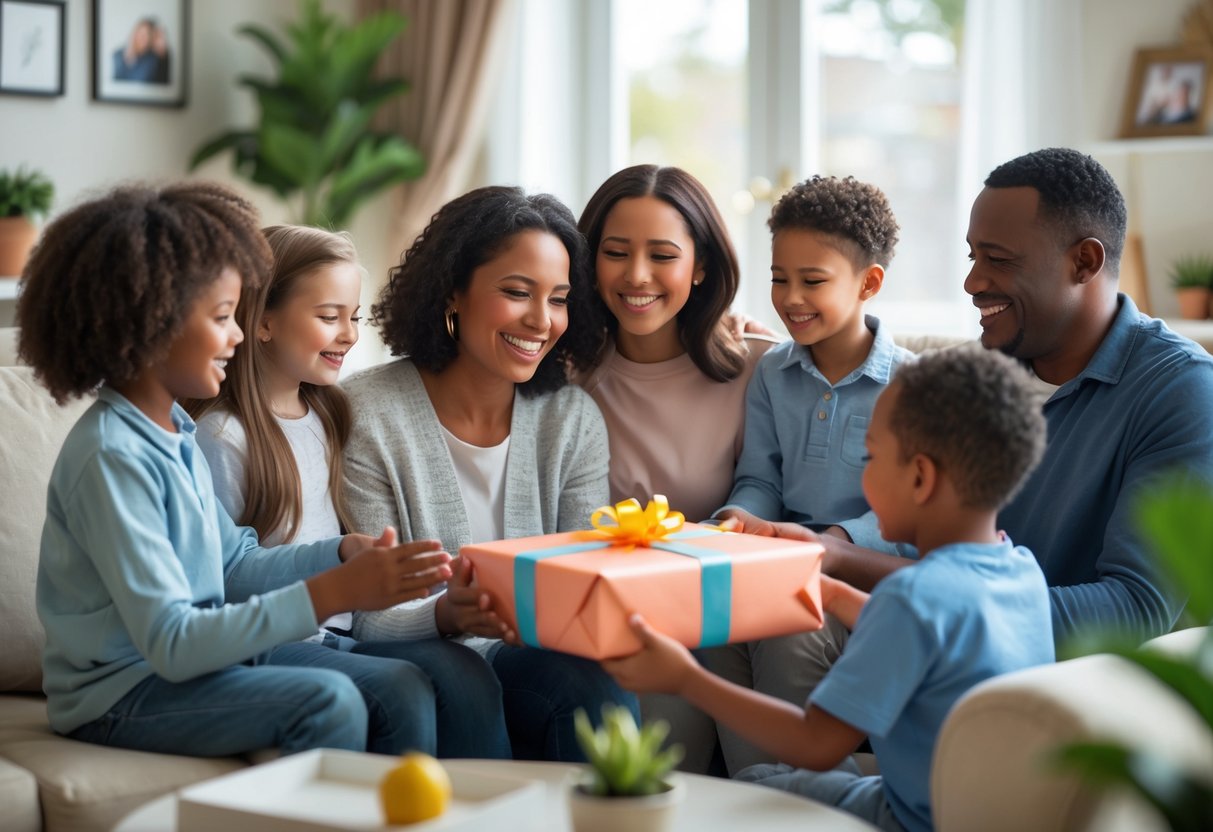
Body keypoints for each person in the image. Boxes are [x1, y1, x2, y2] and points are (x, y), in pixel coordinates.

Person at [17, 183, 455, 758]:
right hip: (120, 692)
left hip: (178, 670)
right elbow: (171, 642)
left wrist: (341, 554)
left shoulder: (171, 430)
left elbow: (235, 562)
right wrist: (330, 593)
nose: (239, 335)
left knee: (401, 684)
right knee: (331, 701)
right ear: (154, 322)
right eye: (224, 316)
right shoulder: (113, 456)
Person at [603, 347, 1056, 832]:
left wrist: (684, 679)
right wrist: (835, 595)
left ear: (921, 477)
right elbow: (936, 639)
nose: (864, 471)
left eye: (872, 456)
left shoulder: (914, 601)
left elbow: (815, 744)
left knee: (753, 786)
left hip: (912, 818)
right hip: (966, 808)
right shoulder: (1019, 570)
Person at [827, 147, 1213, 645]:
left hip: (1055, 690)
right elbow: (922, 519)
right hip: (944, 642)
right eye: (973, 256)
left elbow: (1134, 608)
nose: (972, 282)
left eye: (999, 260)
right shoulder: (984, 370)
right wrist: (831, 550)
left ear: (1085, 261)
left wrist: (903, 591)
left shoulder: (1180, 391)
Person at [187, 224, 511, 759]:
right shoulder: (223, 437)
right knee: (401, 690)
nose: (350, 334)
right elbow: (221, 582)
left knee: (464, 671)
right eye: (328, 316)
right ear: (263, 320)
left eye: (354, 317)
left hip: (337, 633)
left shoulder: (328, 416)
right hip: (267, 642)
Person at [341, 185, 639, 762]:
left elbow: (583, 582)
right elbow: (367, 613)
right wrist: (445, 612)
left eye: (558, 299)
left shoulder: (570, 418)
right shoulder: (367, 414)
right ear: (454, 293)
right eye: (516, 292)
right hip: (414, 651)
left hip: (523, 655)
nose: (541, 320)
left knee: (592, 682)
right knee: (462, 678)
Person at [705, 175, 912, 774]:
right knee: (710, 618)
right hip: (781, 562)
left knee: (789, 627)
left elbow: (913, 514)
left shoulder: (913, 384)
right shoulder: (772, 372)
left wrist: (837, 542)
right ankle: (755, 790)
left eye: (812, 281)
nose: (790, 297)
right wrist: (737, 518)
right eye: (778, 278)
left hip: (861, 582)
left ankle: (790, 793)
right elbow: (761, 479)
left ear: (868, 283)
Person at [575, 164, 778, 773]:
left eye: (662, 255)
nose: (636, 276)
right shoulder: (560, 378)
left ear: (702, 266)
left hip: (733, 613)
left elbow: (771, 494)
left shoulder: (758, 367)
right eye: (615, 252)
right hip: (624, 617)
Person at [113, 17, 170, 85]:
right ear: (135, 33)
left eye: (149, 35)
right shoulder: (118, 54)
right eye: (142, 33)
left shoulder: (153, 58)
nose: (145, 38)